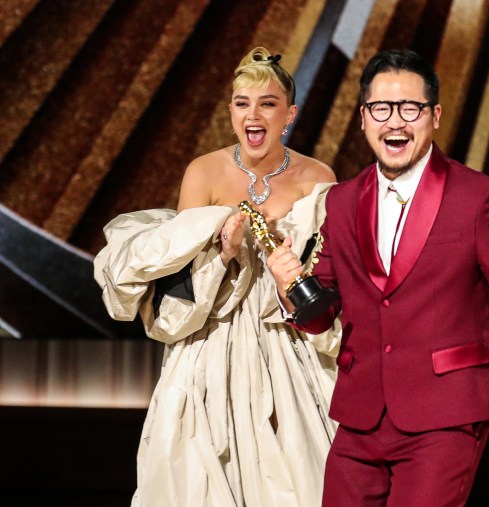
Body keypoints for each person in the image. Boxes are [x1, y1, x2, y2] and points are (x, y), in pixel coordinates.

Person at [268, 48, 489, 507]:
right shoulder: (340, 203)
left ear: (435, 115)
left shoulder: (478, 197)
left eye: (410, 108)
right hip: (360, 416)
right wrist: (291, 286)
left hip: (446, 413)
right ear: (363, 118)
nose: (395, 122)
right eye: (381, 108)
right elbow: (322, 314)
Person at [94, 47, 339, 507]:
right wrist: (223, 253)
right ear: (230, 111)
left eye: (267, 103)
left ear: (289, 113)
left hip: (288, 341)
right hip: (212, 339)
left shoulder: (317, 178)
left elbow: (331, 274)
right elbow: (178, 272)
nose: (254, 113)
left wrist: (291, 271)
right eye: (242, 102)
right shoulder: (203, 171)